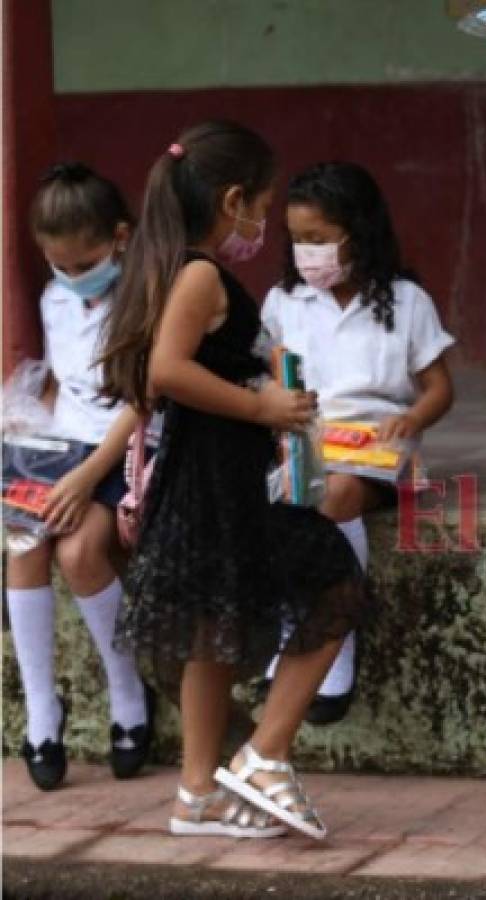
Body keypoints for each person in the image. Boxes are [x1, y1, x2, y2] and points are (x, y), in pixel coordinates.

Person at [99, 121, 369, 841]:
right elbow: (166, 372)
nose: (263, 222)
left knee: (211, 630)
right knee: (335, 581)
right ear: (232, 199)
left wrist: (263, 381)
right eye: (263, 204)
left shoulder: (179, 267)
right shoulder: (199, 274)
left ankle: (196, 795)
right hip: (218, 478)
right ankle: (264, 753)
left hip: (214, 470)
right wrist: (261, 404)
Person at [260, 162, 455, 724]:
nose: (307, 252)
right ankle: (292, 628)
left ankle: (334, 639)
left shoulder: (406, 300)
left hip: (378, 451)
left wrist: (412, 419)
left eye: (319, 239)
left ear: (358, 232)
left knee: (335, 494)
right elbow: (268, 377)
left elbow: (439, 388)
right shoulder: (283, 301)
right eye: (298, 239)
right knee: (281, 496)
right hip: (306, 442)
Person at [6, 163, 154, 791]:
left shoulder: (146, 296)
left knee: (81, 550)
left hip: (119, 453)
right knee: (21, 538)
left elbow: (142, 401)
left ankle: (127, 690)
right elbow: (66, 388)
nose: (69, 277)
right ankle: (43, 709)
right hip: (62, 446)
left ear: (120, 237)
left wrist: (85, 475)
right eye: (56, 264)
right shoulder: (54, 298)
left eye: (81, 262)